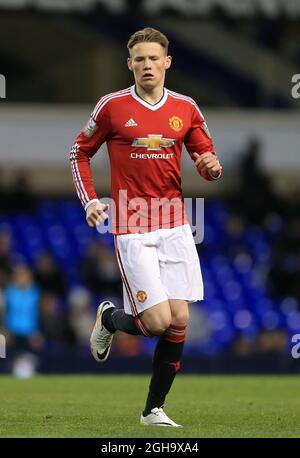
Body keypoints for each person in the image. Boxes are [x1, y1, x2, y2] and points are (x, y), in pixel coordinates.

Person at [69, 27, 222, 427]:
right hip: (133, 225)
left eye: (154, 58)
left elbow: (206, 159)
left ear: (167, 62)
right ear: (130, 64)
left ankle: (153, 409)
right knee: (155, 324)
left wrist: (211, 167)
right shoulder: (112, 107)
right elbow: (79, 153)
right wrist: (90, 202)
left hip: (174, 224)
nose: (147, 65)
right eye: (140, 59)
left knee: (180, 320)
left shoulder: (186, 108)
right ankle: (108, 319)